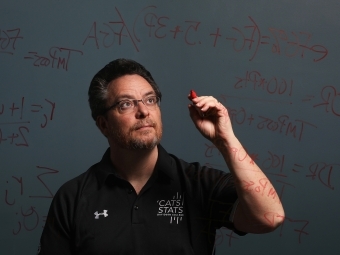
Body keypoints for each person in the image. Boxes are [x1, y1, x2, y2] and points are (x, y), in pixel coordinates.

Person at [38, 58, 284, 255]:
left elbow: (269, 217)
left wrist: (225, 140)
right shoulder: (72, 197)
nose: (143, 111)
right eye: (126, 104)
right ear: (103, 125)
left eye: (150, 100)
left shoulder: (198, 183)